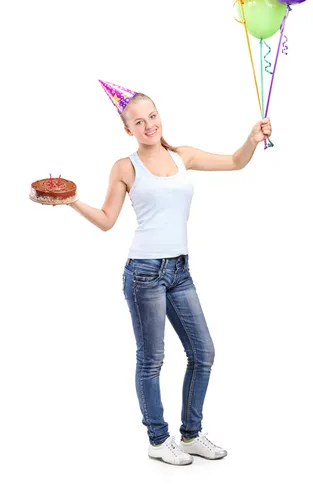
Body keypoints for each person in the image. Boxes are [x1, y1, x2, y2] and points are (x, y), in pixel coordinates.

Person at [68, 80, 272, 465]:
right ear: (127, 129)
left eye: (153, 116)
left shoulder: (182, 156)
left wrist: (251, 139)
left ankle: (191, 435)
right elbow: (107, 220)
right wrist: (73, 200)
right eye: (139, 122)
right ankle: (159, 442)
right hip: (143, 273)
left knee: (203, 352)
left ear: (160, 116)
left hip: (179, 271)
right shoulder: (125, 167)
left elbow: (234, 161)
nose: (149, 125)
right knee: (152, 359)